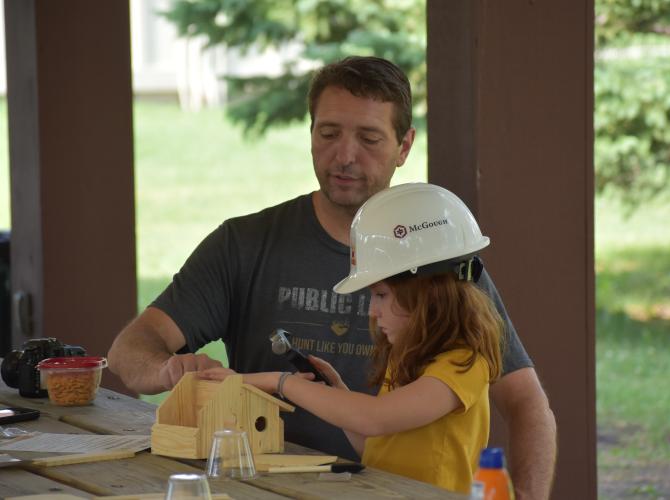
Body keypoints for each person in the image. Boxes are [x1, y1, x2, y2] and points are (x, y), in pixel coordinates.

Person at [107, 56, 556, 499]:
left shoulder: (437, 256)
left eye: (369, 138)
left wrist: (280, 382)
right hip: (259, 484)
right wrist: (168, 369)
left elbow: (525, 402)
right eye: (329, 133)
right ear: (310, 137)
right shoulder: (244, 243)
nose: (345, 155)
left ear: (404, 147)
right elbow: (130, 348)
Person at [200, 182, 504, 493]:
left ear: (429, 295)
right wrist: (337, 390)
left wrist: (279, 382)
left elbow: (373, 419)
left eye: (382, 295)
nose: (372, 310)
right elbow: (374, 445)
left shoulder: (463, 365)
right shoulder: (410, 354)